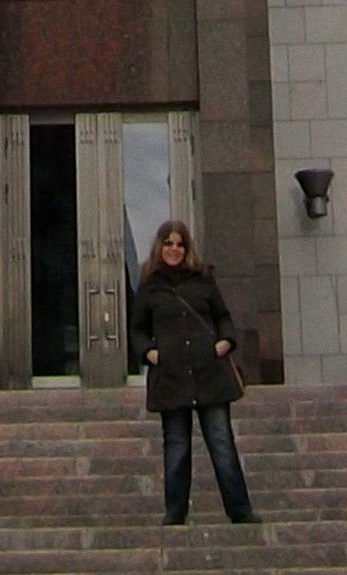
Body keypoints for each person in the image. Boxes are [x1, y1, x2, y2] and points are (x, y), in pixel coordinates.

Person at [130, 219, 256, 527]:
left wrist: (225, 342)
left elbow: (222, 316)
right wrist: (149, 353)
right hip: (171, 376)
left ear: (187, 248)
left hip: (208, 372)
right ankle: (175, 512)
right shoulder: (150, 285)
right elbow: (138, 329)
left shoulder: (203, 279)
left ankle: (239, 510)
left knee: (221, 441)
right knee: (176, 444)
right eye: (168, 243)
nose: (174, 249)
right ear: (160, 247)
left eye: (179, 244)